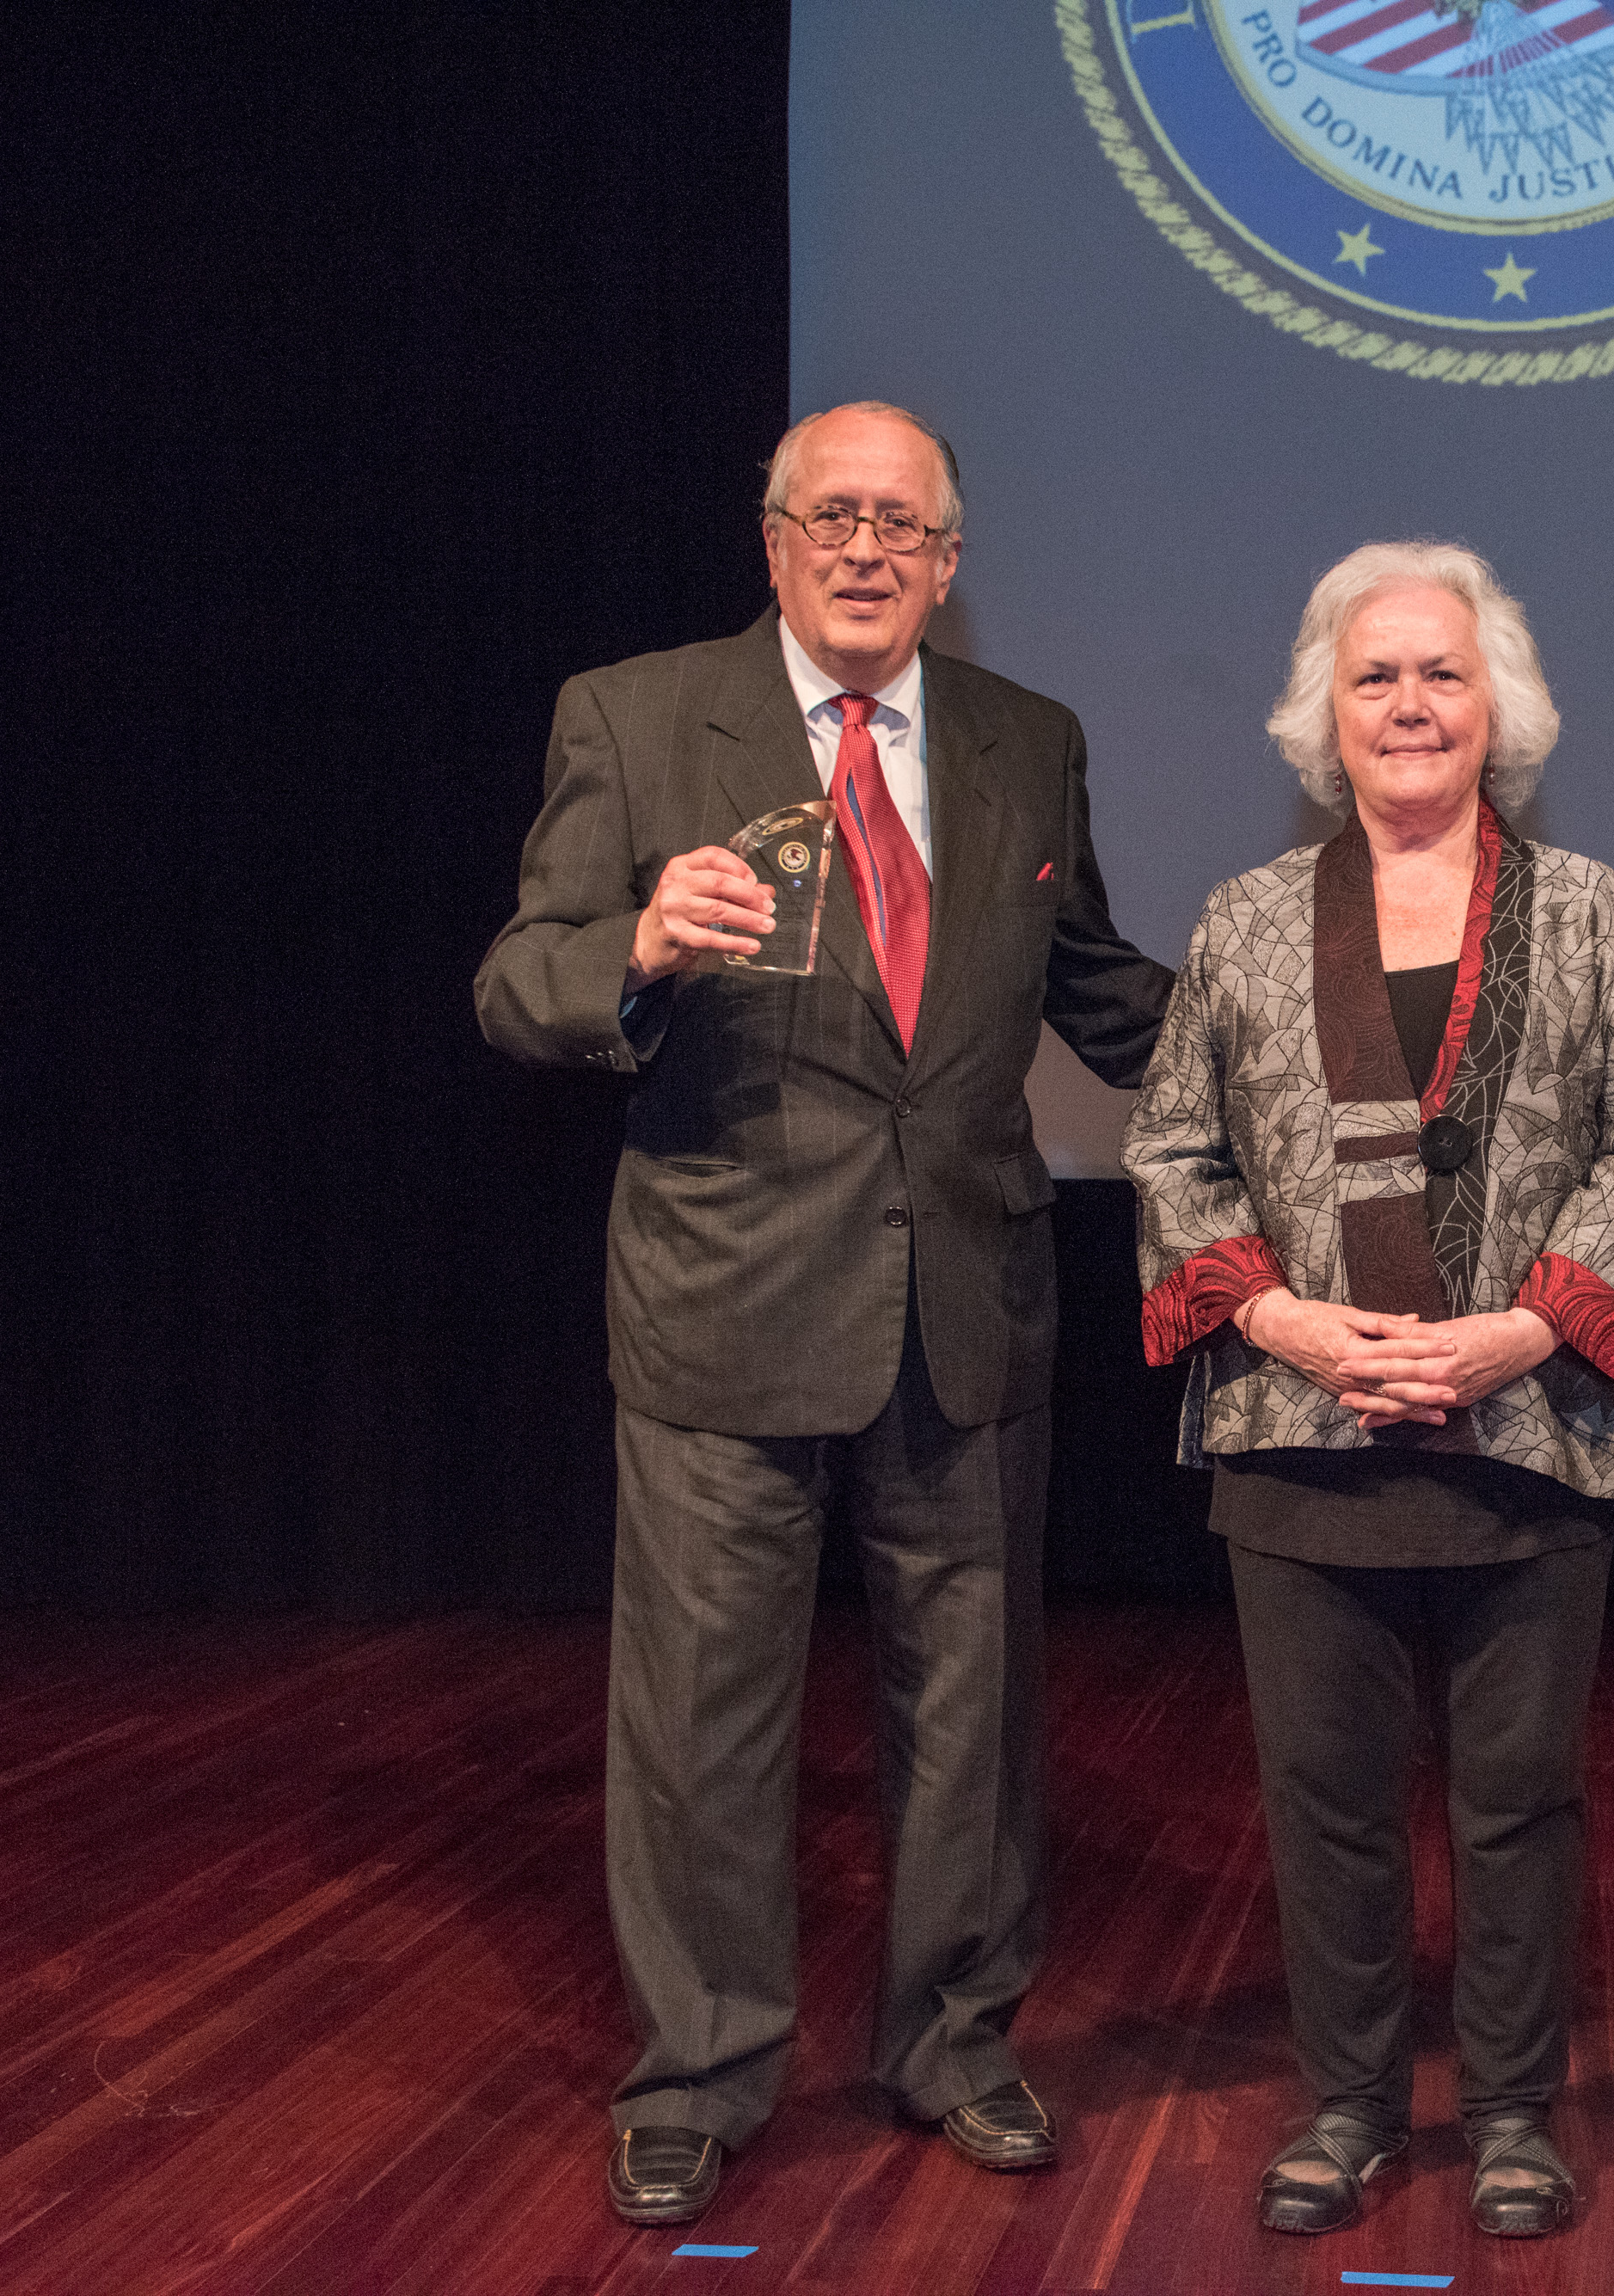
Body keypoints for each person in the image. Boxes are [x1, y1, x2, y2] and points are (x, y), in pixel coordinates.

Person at [476, 402, 1173, 2226]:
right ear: (773, 541)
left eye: (904, 528)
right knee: (702, 1717)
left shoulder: (1029, 742)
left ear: (949, 565)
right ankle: (699, 2072)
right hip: (725, 1305)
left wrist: (1325, 1022)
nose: (867, 551)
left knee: (975, 1711)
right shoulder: (631, 718)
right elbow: (517, 978)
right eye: (832, 518)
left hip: (965, 1302)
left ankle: (953, 2040)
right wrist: (632, 940)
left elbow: (1099, 993)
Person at [1123, 541, 1614, 2242]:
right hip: (1298, 1440)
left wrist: (1520, 1332)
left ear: (1497, 708)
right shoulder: (1239, 923)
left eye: (1439, 673)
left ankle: (1515, 2116)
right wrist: (1289, 1325)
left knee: (1519, 1801)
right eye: (1372, 677)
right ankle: (1351, 2107)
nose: (1407, 704)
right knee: (1323, 1801)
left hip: (1530, 1436)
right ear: (1325, 715)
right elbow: (1170, 1152)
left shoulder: (1591, 910)